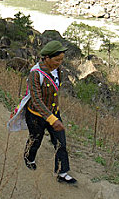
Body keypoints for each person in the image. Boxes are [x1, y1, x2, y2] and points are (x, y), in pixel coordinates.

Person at [24, 40, 77, 184]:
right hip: (36, 115)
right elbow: (36, 99)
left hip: (53, 113)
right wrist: (53, 120)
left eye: (61, 60)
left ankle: (62, 172)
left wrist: (55, 115)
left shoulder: (57, 69)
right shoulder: (35, 74)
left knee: (61, 142)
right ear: (46, 58)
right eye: (57, 60)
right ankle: (29, 158)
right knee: (36, 138)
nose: (59, 63)